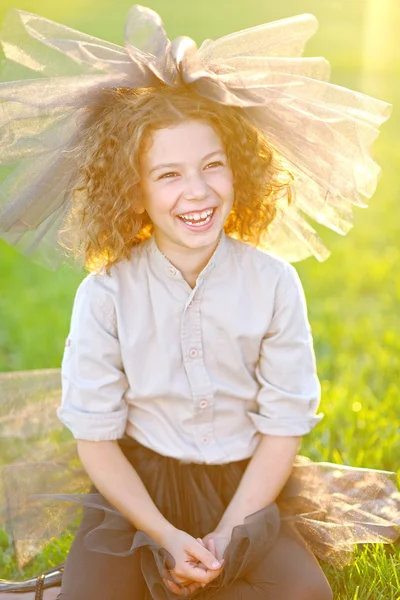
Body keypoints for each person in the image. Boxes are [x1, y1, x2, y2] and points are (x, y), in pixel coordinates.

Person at [0, 6, 399, 600]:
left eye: (213, 166)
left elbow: (283, 427)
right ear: (134, 191)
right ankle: (62, 589)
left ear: (238, 171)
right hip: (138, 489)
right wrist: (161, 533)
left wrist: (226, 535)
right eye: (168, 175)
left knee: (306, 596)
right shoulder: (106, 293)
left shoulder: (273, 283)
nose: (197, 191)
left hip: (246, 487)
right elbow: (97, 442)